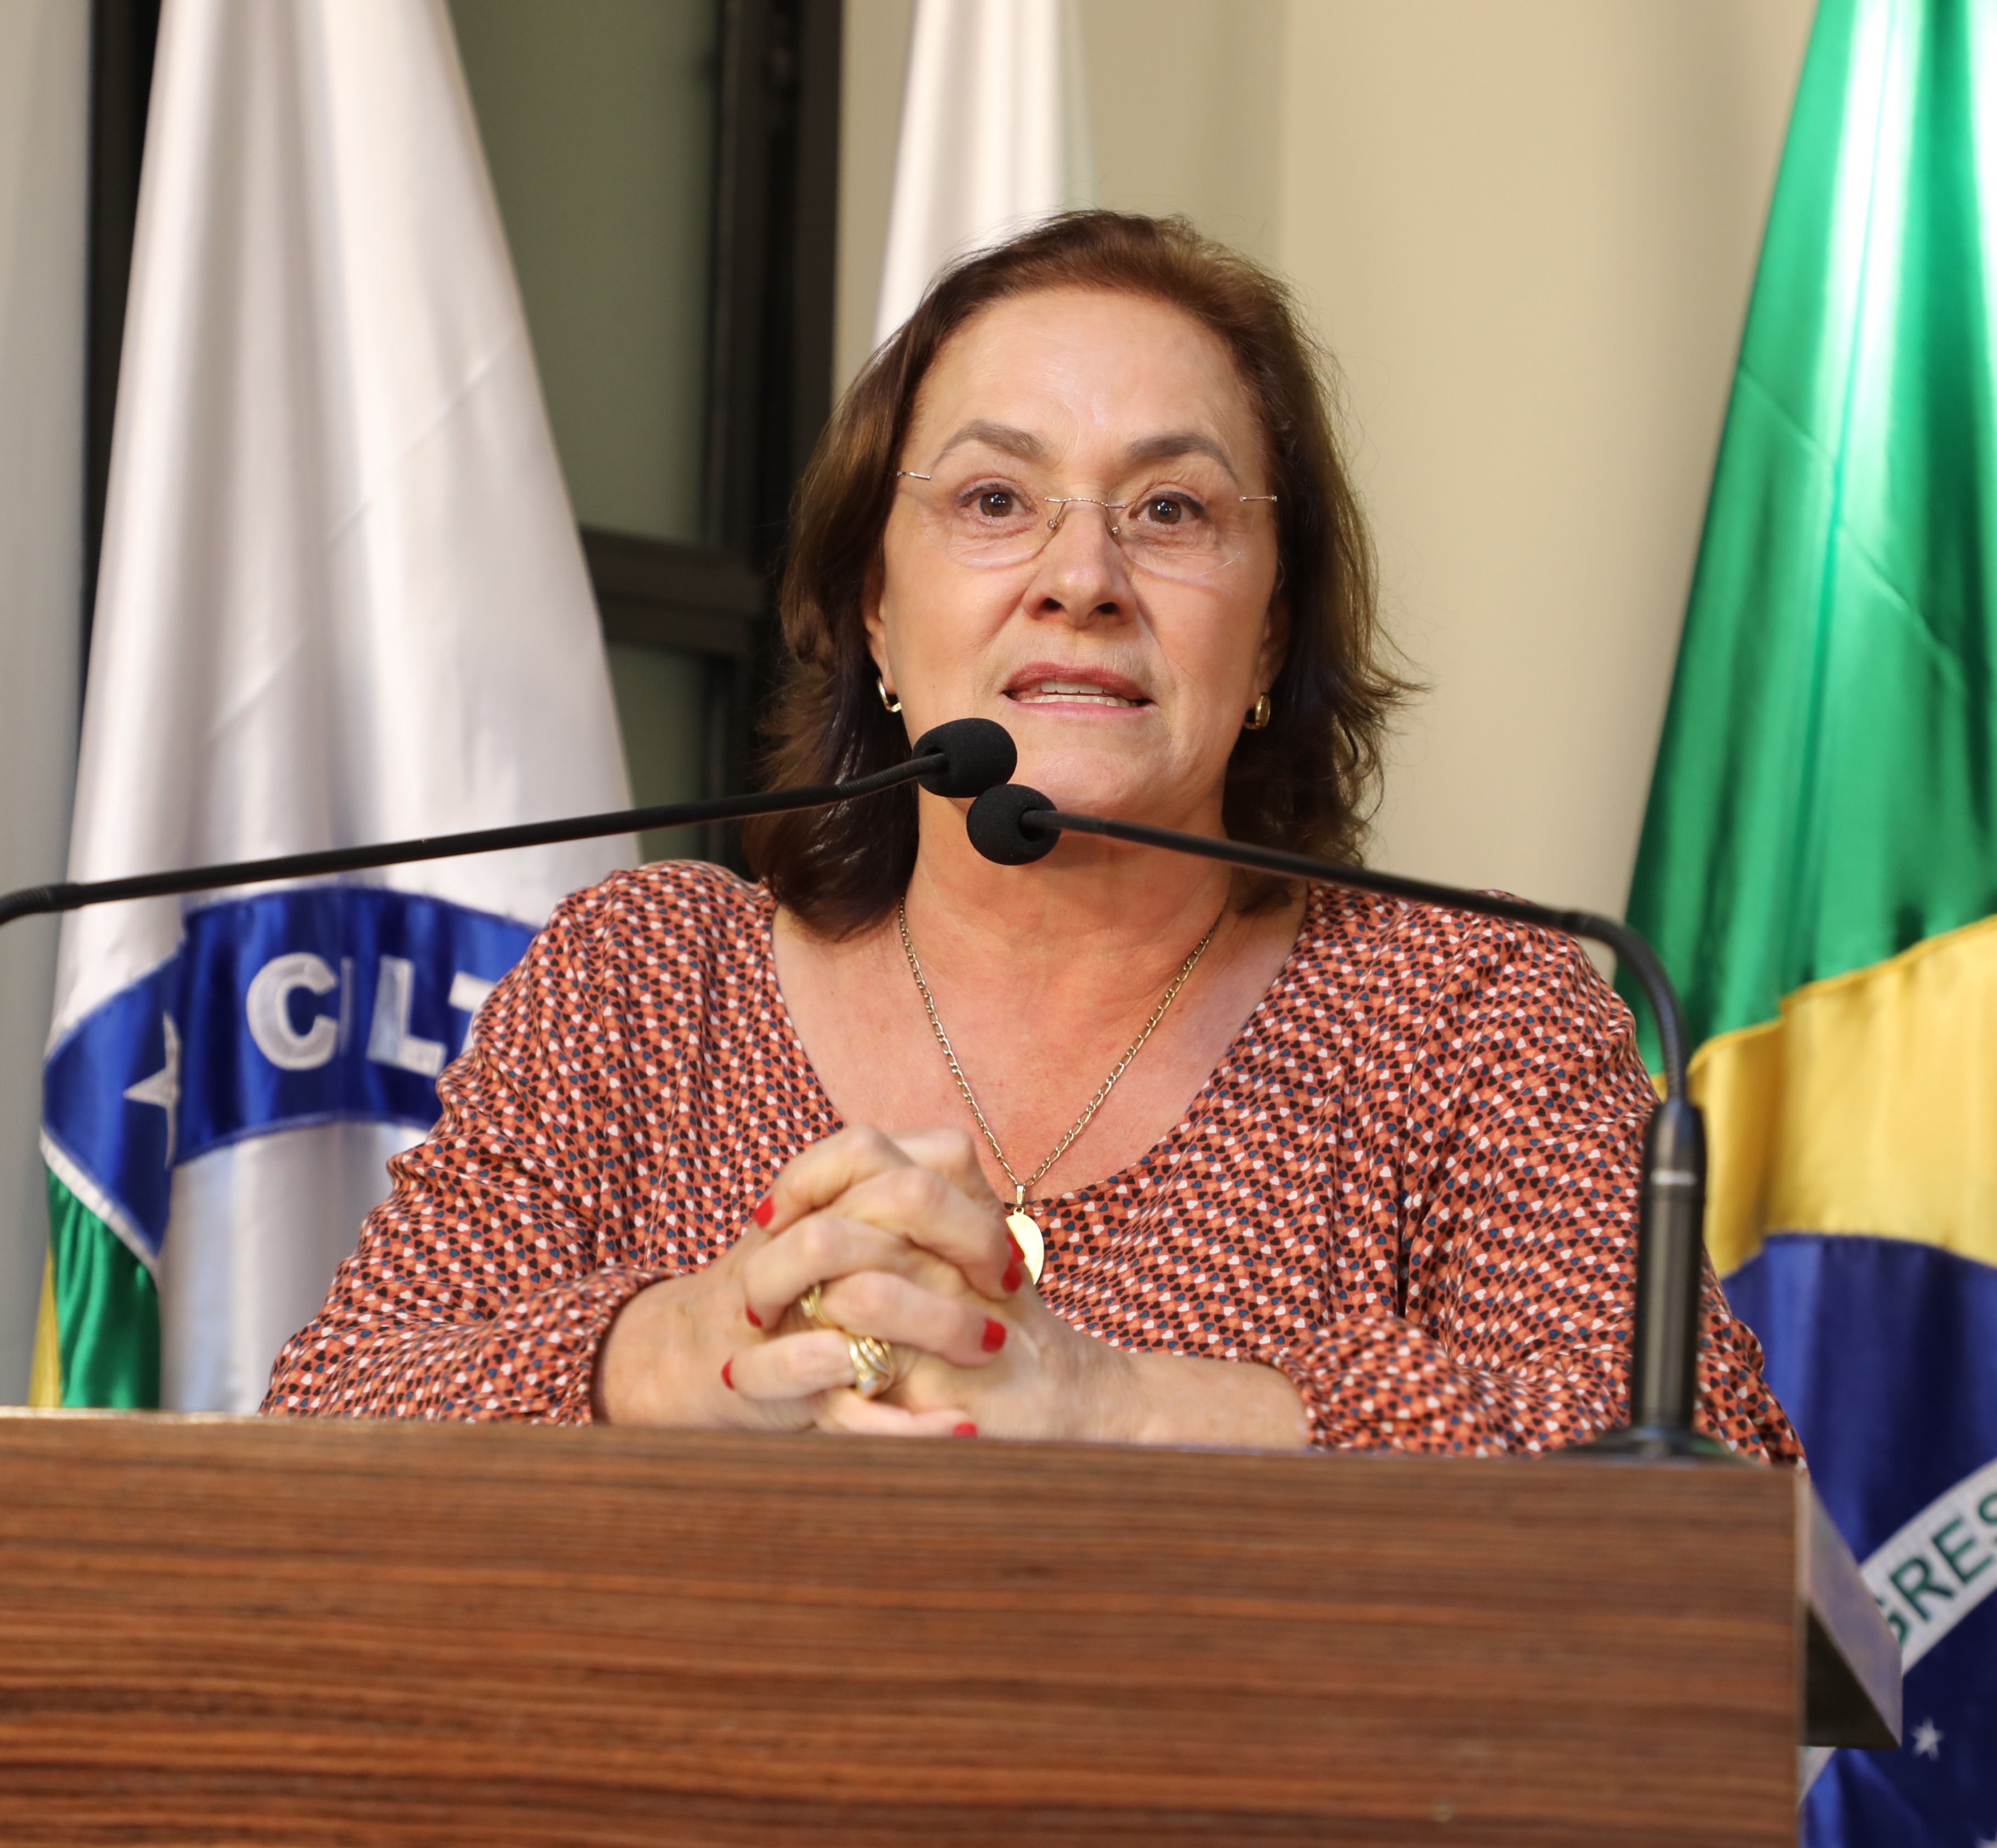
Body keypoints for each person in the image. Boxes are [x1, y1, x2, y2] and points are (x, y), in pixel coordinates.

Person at [265, 211, 1800, 1463]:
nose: (1082, 577)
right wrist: (661, 1351)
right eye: (996, 500)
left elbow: (1700, 1471)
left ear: (1273, 634)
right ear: (877, 609)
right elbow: (327, 1416)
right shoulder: (652, 981)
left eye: (1173, 511)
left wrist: (1113, 1402)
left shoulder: (1469, 1010)